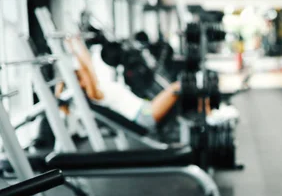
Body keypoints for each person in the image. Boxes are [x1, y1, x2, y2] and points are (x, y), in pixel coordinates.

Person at [58, 36, 209, 131]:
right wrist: (74, 51)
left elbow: (88, 67)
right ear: (80, 85)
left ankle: (204, 113)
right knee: (178, 86)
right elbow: (86, 70)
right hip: (144, 115)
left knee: (178, 89)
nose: (86, 77)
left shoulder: (97, 87)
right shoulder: (94, 94)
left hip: (144, 109)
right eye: (80, 78)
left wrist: (75, 44)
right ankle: (209, 116)